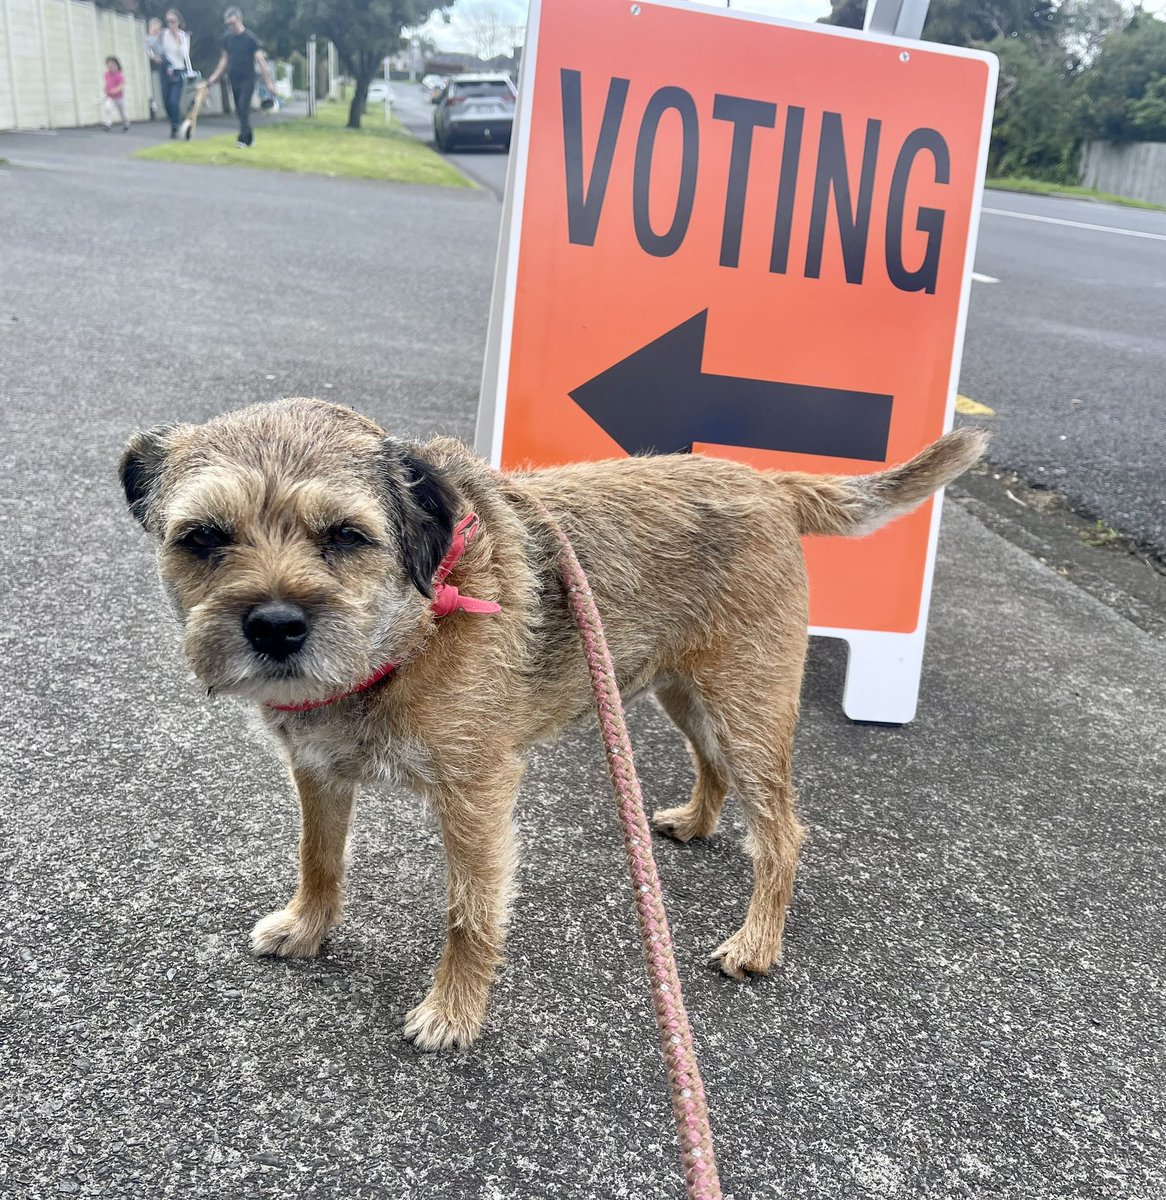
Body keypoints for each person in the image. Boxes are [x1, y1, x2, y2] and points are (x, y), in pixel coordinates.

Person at [205, 7, 276, 149]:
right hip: (234, 78)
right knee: (239, 110)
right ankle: (250, 138)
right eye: (228, 24)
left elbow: (261, 61)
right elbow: (224, 60)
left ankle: (242, 139)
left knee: (243, 107)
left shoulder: (251, 39)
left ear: (239, 20)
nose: (230, 26)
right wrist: (214, 77)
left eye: (232, 23)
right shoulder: (227, 39)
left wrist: (269, 83)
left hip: (248, 78)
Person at [159, 8, 192, 140]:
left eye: (173, 21)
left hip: (178, 70)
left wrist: (179, 42)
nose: (170, 24)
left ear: (179, 21)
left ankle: (175, 126)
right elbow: (157, 49)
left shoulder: (184, 36)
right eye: (168, 21)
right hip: (166, 69)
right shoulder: (163, 34)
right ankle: (174, 122)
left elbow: (184, 56)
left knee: (174, 100)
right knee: (166, 102)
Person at [102, 56, 129, 132]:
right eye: (108, 65)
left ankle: (126, 123)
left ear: (116, 65)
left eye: (111, 64)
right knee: (108, 108)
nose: (110, 66)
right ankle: (108, 124)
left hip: (119, 97)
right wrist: (106, 90)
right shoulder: (106, 74)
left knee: (122, 112)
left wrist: (114, 91)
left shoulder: (119, 75)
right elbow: (107, 84)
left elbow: (121, 86)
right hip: (110, 97)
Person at [145, 17, 164, 121]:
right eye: (154, 28)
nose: (156, 30)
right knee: (154, 88)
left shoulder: (162, 39)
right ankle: (154, 108)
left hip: (161, 67)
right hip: (151, 68)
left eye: (158, 28)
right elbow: (147, 51)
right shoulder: (148, 39)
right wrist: (153, 57)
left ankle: (158, 110)